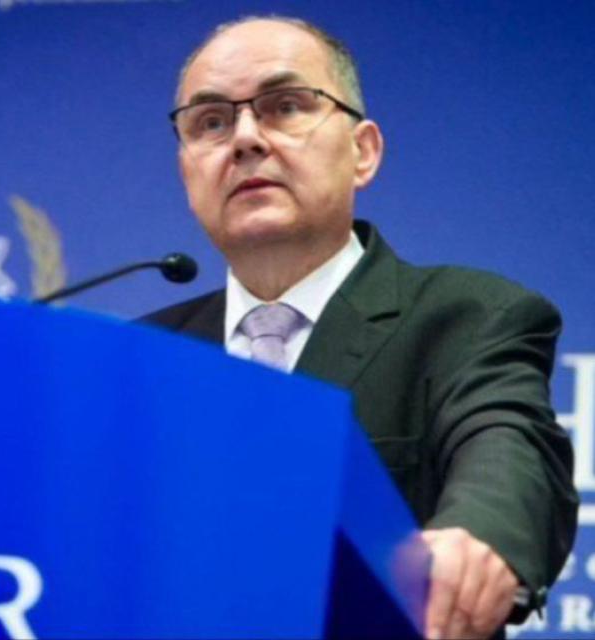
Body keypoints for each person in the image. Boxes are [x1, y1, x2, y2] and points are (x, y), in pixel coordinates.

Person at [143, 15, 578, 640]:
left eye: (285, 107)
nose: (244, 139)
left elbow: (508, 447)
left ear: (363, 152)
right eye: (210, 122)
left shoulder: (467, 317)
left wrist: (477, 535)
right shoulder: (145, 358)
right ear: (186, 168)